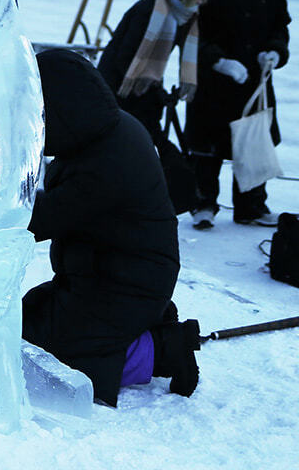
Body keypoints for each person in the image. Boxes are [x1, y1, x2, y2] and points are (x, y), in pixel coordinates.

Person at [22, 48, 200, 407]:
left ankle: (163, 349)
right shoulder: (105, 131)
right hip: (109, 276)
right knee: (27, 320)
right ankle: (139, 327)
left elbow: (41, 220)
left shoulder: (105, 162)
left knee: (53, 359)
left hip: (126, 285)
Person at [184, 0, 291, 229]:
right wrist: (218, 61)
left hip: (255, 80)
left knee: (253, 143)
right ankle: (203, 204)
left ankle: (252, 207)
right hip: (213, 83)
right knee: (208, 147)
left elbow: (279, 27)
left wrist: (274, 51)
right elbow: (193, 31)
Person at [97, 0, 222, 143]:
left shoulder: (180, 12)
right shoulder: (149, 11)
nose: (201, 1)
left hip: (143, 89)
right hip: (122, 88)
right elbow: (125, 56)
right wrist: (149, 90)